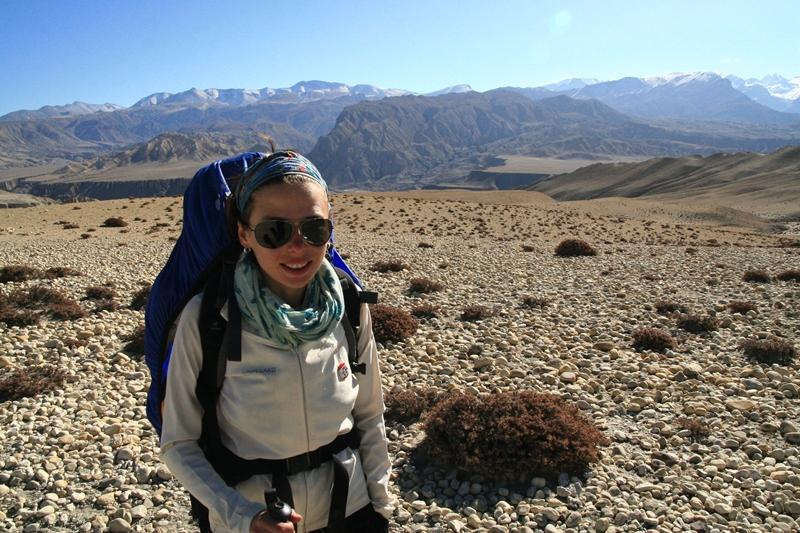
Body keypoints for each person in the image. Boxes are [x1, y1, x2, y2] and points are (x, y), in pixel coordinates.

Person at [160, 150, 394, 533]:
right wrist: (241, 515)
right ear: (244, 234)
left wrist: (381, 506)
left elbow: (369, 415)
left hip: (350, 507)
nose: (298, 246)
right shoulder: (210, 318)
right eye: (275, 232)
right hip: (256, 518)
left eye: (314, 229)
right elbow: (179, 442)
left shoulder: (348, 304)